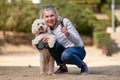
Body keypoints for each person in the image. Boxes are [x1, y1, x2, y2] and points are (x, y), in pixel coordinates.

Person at [39, 5, 89, 74]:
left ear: (56, 15)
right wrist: (43, 43)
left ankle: (83, 65)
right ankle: (63, 67)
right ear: (43, 18)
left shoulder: (64, 22)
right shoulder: (46, 29)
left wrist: (68, 34)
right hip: (65, 50)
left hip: (78, 49)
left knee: (65, 55)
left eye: (52, 15)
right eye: (47, 16)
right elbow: (39, 46)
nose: (50, 19)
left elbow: (77, 41)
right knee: (51, 44)